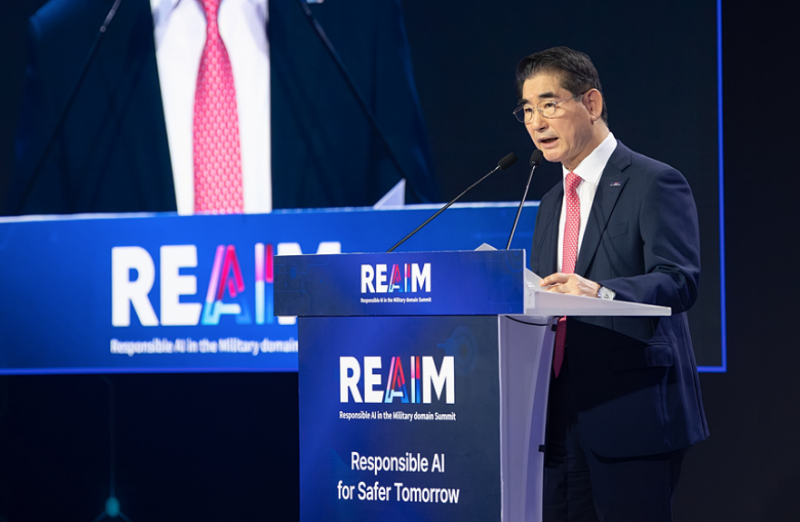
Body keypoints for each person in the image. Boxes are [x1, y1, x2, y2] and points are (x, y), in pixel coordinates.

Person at [5, 0, 439, 216]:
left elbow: (415, 218)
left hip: (323, 376)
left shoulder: (358, 18)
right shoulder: (67, 39)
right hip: (134, 385)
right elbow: (37, 254)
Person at [515, 46, 708, 521]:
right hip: (554, 419)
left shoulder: (653, 182)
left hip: (631, 412)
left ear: (593, 104)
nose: (536, 121)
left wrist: (601, 293)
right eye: (526, 110)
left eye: (549, 104)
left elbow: (679, 281)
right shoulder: (550, 202)